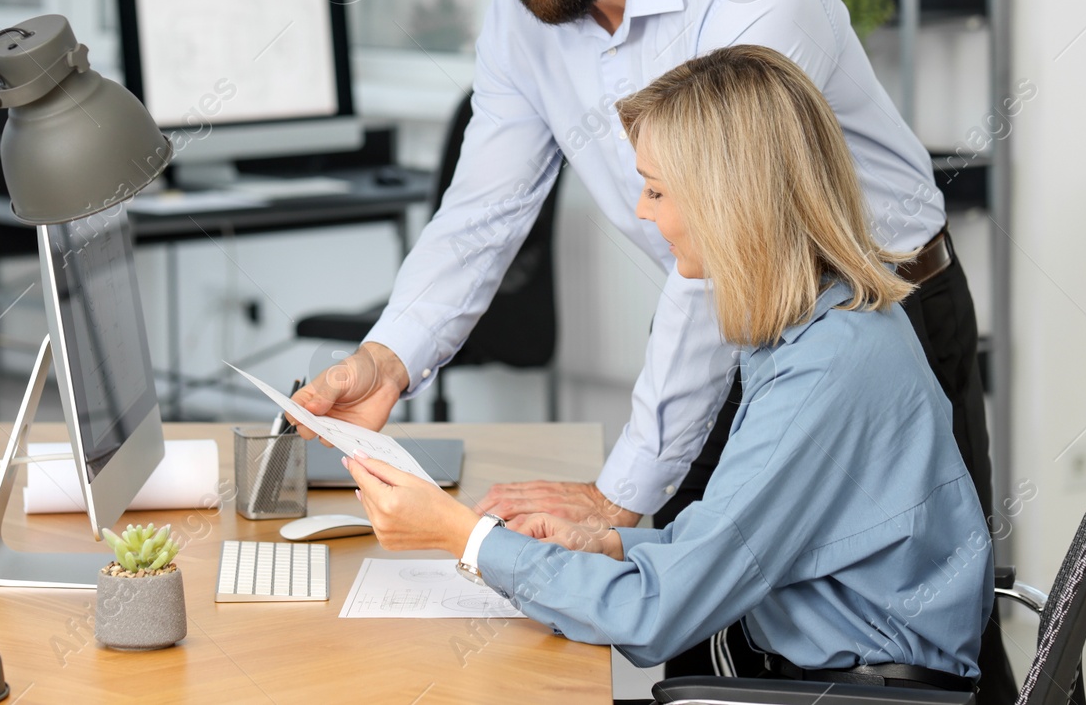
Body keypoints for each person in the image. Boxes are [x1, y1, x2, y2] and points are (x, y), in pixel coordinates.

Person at [292, 0, 1014, 698]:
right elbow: (482, 211)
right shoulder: (525, 12)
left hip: (880, 310)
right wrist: (389, 357)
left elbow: (720, 254)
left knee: (904, 619)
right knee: (716, 598)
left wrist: (614, 496)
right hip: (759, 329)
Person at [342, 46, 994, 691]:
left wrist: (461, 532)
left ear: (729, 203)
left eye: (656, 189)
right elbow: (730, 538)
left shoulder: (828, 371)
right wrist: (612, 546)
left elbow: (653, 614)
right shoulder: (818, 327)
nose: (643, 212)